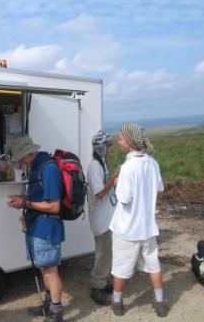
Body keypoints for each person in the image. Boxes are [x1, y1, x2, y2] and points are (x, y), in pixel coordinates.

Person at [109, 123, 168, 317]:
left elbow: (124, 199)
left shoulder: (127, 168)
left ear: (129, 142)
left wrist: (116, 183)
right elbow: (159, 188)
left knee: (121, 267)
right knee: (154, 265)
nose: (118, 142)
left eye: (120, 139)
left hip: (127, 229)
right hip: (148, 227)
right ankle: (159, 302)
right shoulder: (152, 163)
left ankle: (117, 302)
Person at [8, 135, 65, 322]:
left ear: (30, 153)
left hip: (47, 227)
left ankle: (56, 313)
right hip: (38, 226)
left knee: (50, 269)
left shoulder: (48, 169)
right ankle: (49, 306)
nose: (20, 162)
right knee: (44, 268)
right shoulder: (36, 167)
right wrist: (24, 200)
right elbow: (38, 197)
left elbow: (54, 206)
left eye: (21, 158)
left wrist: (27, 204)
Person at [86, 130, 118, 305]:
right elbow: (99, 193)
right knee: (103, 254)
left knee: (107, 254)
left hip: (107, 220)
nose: (111, 149)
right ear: (102, 148)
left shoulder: (101, 164)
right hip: (101, 221)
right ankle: (96, 287)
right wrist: (113, 178)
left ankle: (103, 281)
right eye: (108, 146)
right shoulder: (95, 167)